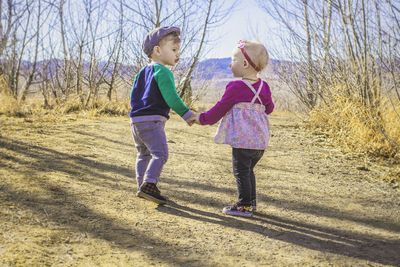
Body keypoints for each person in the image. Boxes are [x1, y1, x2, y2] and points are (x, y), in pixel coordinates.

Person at [194, 40, 274, 217]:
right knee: (248, 171)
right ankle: (251, 202)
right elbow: (269, 109)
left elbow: (219, 109)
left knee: (241, 171)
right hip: (260, 142)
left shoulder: (235, 87)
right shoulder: (264, 87)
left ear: (245, 64)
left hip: (243, 141)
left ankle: (244, 205)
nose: (230, 64)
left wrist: (202, 119)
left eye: (233, 60)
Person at [129, 26, 196, 205]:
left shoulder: (141, 73)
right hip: (152, 121)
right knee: (160, 154)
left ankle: (141, 186)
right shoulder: (163, 71)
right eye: (174, 50)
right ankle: (149, 185)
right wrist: (187, 114)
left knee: (143, 154)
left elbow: (133, 96)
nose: (177, 55)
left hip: (136, 121)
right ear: (157, 51)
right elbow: (171, 97)